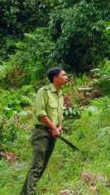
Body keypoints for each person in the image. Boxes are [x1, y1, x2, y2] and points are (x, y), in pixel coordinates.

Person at [21, 67, 69, 195]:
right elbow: (40, 114)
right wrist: (54, 127)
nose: (66, 77)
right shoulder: (43, 91)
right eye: (63, 75)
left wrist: (59, 128)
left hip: (53, 134)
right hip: (42, 133)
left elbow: (60, 116)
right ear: (55, 78)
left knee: (42, 166)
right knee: (37, 166)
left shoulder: (60, 94)